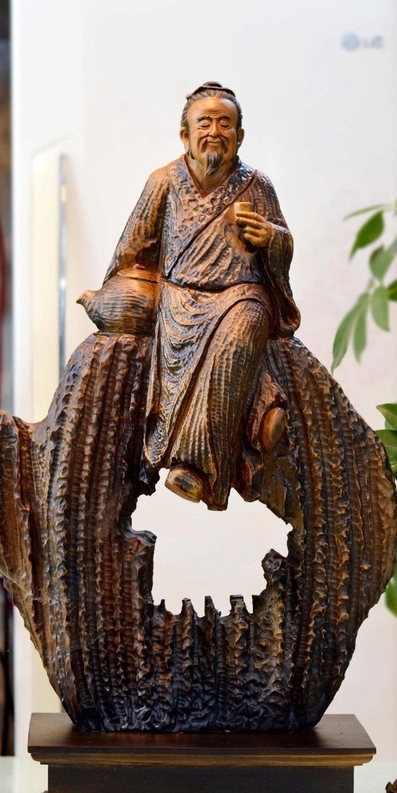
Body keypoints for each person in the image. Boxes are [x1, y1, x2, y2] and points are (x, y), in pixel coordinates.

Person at [103, 81, 300, 510]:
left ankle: (194, 465)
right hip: (181, 300)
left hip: (242, 296)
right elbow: (131, 251)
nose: (215, 132)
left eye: (225, 124)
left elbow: (284, 243)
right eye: (205, 123)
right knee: (176, 342)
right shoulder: (164, 182)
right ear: (185, 134)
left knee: (243, 330)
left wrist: (271, 237)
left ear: (239, 135)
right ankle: (259, 414)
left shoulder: (258, 186)